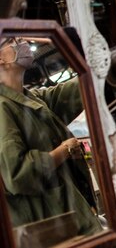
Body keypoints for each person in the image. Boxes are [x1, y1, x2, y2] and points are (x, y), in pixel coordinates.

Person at [0, 37, 102, 235]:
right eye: (12, 40)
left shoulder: (30, 97)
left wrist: (99, 65)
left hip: (68, 216)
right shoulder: (3, 108)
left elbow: (68, 94)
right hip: (49, 226)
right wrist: (65, 150)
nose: (21, 41)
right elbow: (17, 174)